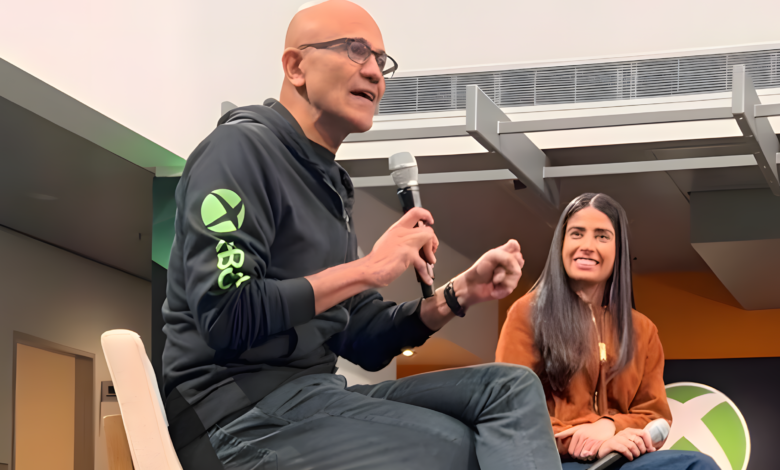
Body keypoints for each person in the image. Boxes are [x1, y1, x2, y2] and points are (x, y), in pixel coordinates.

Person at [161, 1, 560, 469]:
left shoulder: (330, 185)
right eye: (355, 51)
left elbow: (364, 341)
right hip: (234, 416)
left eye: (381, 61)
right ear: (295, 67)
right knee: (452, 445)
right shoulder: (238, 151)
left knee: (508, 389)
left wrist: (460, 293)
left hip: (314, 397)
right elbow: (228, 315)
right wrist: (368, 269)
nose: (375, 73)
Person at [496, 193, 718, 469]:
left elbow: (653, 414)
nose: (587, 246)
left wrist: (610, 426)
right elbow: (509, 411)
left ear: (619, 250)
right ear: (561, 244)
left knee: (696, 465)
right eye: (577, 234)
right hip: (553, 460)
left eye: (602, 236)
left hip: (618, 458)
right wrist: (581, 439)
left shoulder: (643, 330)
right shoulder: (528, 312)